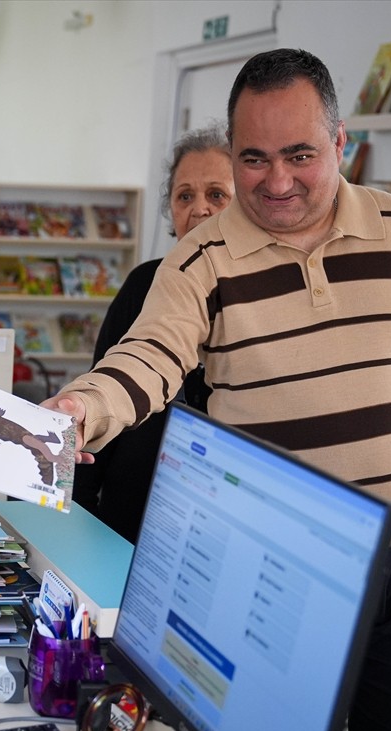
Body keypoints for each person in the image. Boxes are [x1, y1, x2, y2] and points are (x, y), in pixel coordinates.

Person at [46, 49, 391, 731]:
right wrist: (83, 408)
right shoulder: (200, 259)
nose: (276, 181)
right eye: (253, 159)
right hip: (275, 566)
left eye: (300, 155)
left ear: (340, 143)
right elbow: (150, 355)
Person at [72, 124, 233, 541]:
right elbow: (101, 389)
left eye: (217, 195)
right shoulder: (143, 284)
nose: (199, 209)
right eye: (185, 196)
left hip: (215, 520)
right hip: (128, 513)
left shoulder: (259, 295)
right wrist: (77, 515)